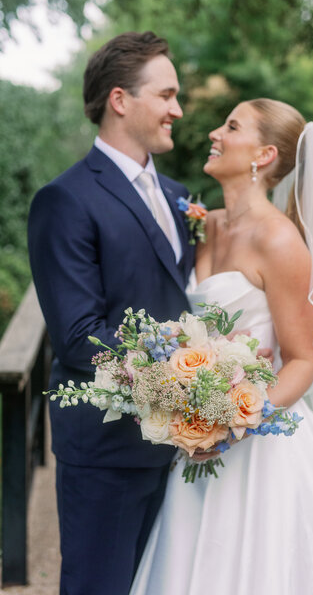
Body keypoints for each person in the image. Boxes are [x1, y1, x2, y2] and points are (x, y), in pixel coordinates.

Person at [130, 98, 313, 594]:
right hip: (196, 435)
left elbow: (302, 359)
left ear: (264, 154)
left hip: (259, 442)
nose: (214, 132)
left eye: (231, 126)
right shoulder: (203, 225)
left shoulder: (280, 241)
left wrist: (235, 420)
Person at [28, 31, 196, 595]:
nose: (178, 109)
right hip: (107, 452)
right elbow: (79, 337)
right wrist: (190, 380)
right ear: (120, 100)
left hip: (184, 444)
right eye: (167, 95)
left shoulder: (179, 196)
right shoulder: (66, 200)